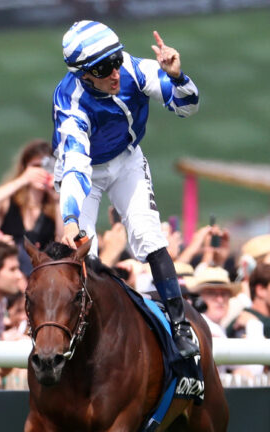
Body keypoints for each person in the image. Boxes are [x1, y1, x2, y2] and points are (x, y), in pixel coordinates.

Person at [53, 20, 200, 357]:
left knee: (150, 236)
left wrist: (177, 76)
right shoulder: (71, 103)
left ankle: (180, 326)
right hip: (85, 169)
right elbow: (75, 167)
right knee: (82, 251)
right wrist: (71, 219)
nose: (115, 73)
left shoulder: (134, 69)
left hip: (127, 159)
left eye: (116, 60)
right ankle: (87, 336)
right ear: (84, 75)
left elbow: (187, 107)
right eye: (104, 68)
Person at [0, 139, 60, 274]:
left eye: (46, 166)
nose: (41, 171)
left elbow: (61, 240)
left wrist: (57, 200)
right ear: (25, 167)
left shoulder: (54, 206)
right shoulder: (10, 202)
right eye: (36, 166)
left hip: (41, 275)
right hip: (8, 273)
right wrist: (23, 179)